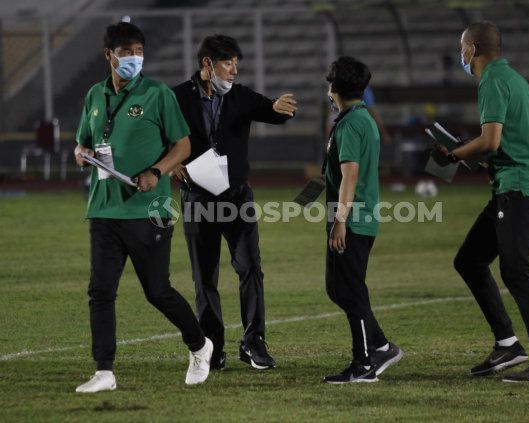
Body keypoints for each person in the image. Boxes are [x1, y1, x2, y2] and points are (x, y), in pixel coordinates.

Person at [72, 21, 212, 392]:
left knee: (158, 291)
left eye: (139, 51)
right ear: (109, 56)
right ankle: (104, 371)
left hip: (149, 209)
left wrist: (156, 171)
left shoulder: (157, 94)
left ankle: (200, 345)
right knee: (100, 290)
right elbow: (82, 143)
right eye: (126, 52)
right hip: (104, 208)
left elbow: (182, 146)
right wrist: (81, 154)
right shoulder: (94, 96)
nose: (135, 58)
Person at [436, 21, 529, 382]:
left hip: (519, 188)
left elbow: (490, 140)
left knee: (516, 272)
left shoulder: (490, 79)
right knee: (470, 260)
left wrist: (456, 155)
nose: (461, 54)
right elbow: (506, 142)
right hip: (514, 184)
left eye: (463, 47)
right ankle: (507, 343)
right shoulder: (514, 78)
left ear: (473, 48)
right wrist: (474, 158)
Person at [171, 34, 297, 370]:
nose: (234, 70)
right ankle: (212, 349)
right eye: (228, 63)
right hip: (197, 196)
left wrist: (279, 108)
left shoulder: (240, 96)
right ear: (207, 64)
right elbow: (158, 136)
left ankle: (254, 344)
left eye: (236, 63)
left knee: (251, 268)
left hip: (237, 197)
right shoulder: (177, 97)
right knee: (205, 277)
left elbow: (268, 110)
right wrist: (170, 164)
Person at [322, 56, 403, 384]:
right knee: (337, 288)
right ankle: (381, 346)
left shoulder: (351, 123)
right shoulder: (360, 118)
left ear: (334, 87)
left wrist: (340, 220)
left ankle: (364, 363)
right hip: (355, 217)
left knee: (350, 290)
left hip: (353, 220)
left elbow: (350, 176)